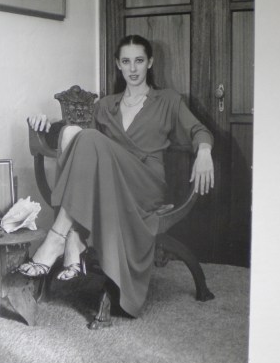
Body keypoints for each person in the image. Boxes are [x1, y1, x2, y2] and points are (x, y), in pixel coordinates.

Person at [20, 34, 214, 325]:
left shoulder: (168, 100)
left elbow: (199, 130)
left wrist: (205, 151)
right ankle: (71, 239)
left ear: (150, 63)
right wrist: (44, 124)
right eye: (126, 61)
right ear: (118, 65)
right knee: (73, 133)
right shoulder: (105, 105)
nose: (133, 68)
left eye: (139, 61)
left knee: (85, 136)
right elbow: (76, 150)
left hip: (145, 184)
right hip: (111, 185)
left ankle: (59, 238)